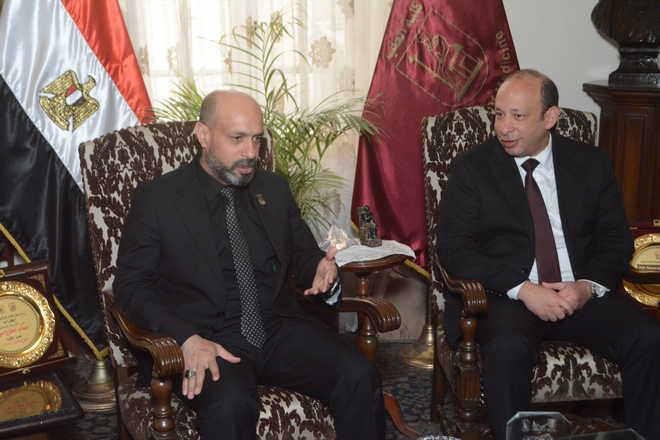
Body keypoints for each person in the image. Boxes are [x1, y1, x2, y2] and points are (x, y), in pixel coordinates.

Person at [114, 90, 384, 439]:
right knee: (231, 405)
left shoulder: (273, 189)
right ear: (203, 135)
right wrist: (186, 339)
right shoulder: (158, 199)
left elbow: (303, 254)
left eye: (257, 139)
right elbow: (131, 288)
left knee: (359, 375)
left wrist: (321, 270)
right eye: (237, 139)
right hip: (206, 338)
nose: (251, 153)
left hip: (275, 329)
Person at [437, 69, 660, 439]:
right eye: (498, 114)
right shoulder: (472, 168)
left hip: (577, 292)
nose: (504, 127)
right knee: (507, 348)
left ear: (550, 117)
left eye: (518, 116)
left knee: (648, 337)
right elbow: (455, 250)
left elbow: (616, 240)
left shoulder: (591, 163)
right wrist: (524, 290)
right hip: (505, 295)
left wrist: (586, 287)